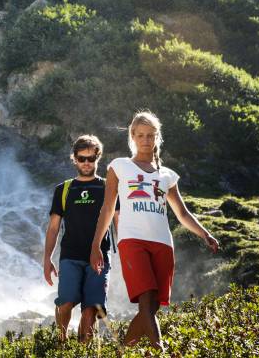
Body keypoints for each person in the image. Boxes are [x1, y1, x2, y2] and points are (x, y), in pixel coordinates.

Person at [89, 111, 219, 350]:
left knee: (151, 308)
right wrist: (96, 244)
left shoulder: (167, 175)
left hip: (162, 243)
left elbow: (182, 213)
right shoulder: (119, 167)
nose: (146, 140)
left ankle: (123, 352)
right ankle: (160, 350)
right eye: (141, 135)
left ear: (157, 137)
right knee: (147, 297)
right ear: (133, 137)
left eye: (150, 135)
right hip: (132, 241)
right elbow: (107, 209)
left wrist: (205, 234)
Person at [43, 135, 119, 344]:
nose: (87, 163)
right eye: (82, 158)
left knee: (90, 310)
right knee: (65, 304)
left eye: (91, 158)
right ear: (74, 158)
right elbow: (53, 227)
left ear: (98, 158)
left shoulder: (109, 188)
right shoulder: (64, 189)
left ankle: (82, 351)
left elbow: (119, 222)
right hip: (70, 256)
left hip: (100, 257)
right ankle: (60, 344)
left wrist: (128, 253)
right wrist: (47, 259)